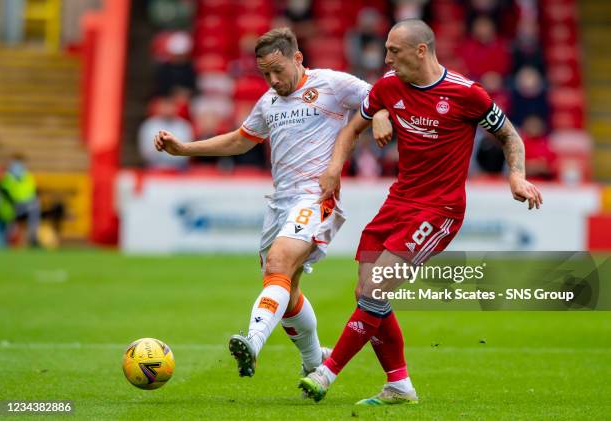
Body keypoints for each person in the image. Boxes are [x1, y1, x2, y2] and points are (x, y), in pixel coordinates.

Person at [300, 19, 543, 405]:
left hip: (439, 210)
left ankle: (326, 373)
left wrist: (516, 176)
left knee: (376, 290)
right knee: (367, 293)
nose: (386, 59)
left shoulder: (467, 94)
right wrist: (334, 168)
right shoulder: (388, 86)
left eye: (393, 51)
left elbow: (509, 135)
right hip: (398, 203)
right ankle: (399, 385)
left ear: (421, 51)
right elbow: (351, 129)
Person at [154, 28, 390, 378]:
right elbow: (239, 141)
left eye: (278, 70)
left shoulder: (331, 84)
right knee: (285, 287)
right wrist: (185, 148)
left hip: (317, 197)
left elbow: (380, 95)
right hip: (280, 204)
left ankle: (252, 341)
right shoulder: (268, 102)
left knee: (279, 262)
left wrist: (381, 112)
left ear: (298, 58)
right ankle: (314, 361)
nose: (273, 79)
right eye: (265, 73)